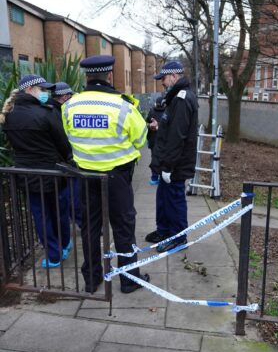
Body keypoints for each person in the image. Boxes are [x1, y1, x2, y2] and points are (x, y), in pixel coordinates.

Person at [61, 55, 150, 294]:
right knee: (123, 228)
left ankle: (92, 279)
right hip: (117, 178)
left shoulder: (70, 105)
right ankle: (129, 280)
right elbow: (141, 139)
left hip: (86, 177)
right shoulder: (123, 106)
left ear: (86, 77)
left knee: (90, 228)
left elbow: (69, 136)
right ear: (109, 75)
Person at [0, 75, 72, 268]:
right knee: (59, 211)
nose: (45, 93)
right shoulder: (46, 112)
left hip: (28, 175)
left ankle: (54, 255)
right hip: (53, 172)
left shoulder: (8, 115)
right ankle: (65, 244)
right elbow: (63, 144)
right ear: (30, 90)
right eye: (42, 89)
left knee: (41, 215)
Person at [145, 61, 198, 253]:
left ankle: (178, 236)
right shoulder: (175, 97)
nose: (163, 83)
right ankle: (165, 230)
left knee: (175, 199)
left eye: (164, 79)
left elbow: (178, 137)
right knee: (163, 198)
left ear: (174, 76)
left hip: (175, 164)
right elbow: (171, 129)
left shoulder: (182, 99)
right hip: (167, 161)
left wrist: (168, 166)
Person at [49, 82, 82, 229]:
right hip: (66, 161)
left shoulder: (52, 110)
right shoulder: (57, 112)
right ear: (64, 97)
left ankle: (76, 221)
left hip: (61, 161)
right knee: (73, 197)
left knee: (69, 197)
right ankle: (81, 222)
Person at [145, 96, 165, 185]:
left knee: (154, 159)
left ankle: (154, 177)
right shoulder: (167, 111)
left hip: (153, 140)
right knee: (163, 159)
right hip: (164, 140)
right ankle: (162, 177)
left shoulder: (152, 111)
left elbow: (147, 121)